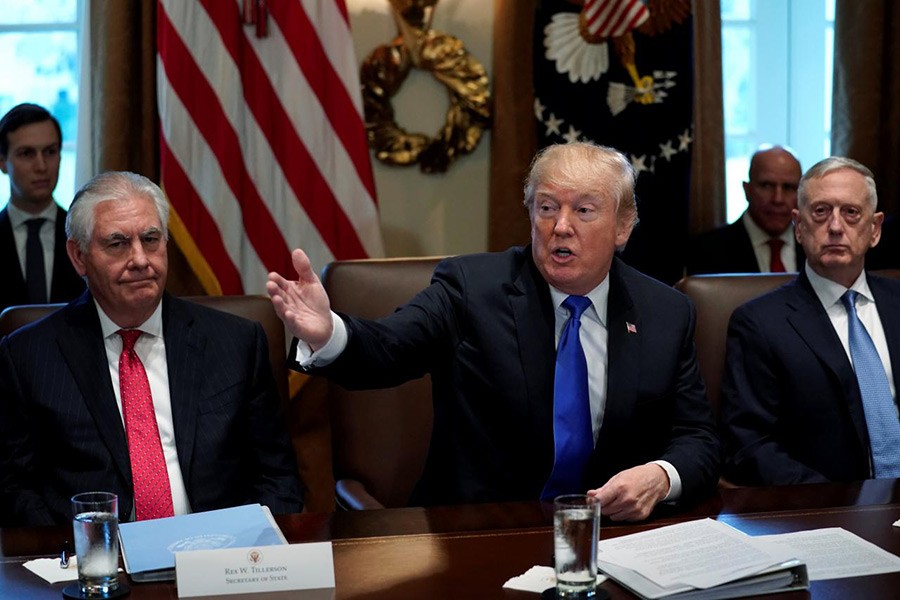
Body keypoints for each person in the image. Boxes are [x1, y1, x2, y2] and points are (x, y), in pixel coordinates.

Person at [267, 142, 719, 521]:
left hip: (612, 539)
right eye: (546, 208)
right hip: (481, 533)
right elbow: (391, 348)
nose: (561, 226)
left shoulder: (666, 312)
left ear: (623, 226)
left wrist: (661, 476)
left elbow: (698, 438)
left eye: (583, 210)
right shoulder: (471, 288)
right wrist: (330, 334)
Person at [0, 171, 302, 526]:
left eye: (151, 239)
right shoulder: (28, 356)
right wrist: (80, 553)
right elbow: (13, 488)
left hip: (220, 557)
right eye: (118, 244)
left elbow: (277, 477)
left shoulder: (237, 342)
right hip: (98, 564)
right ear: (79, 256)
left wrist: (252, 554)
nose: (141, 259)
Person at [721, 156, 900, 485]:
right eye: (820, 212)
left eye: (851, 213)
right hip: (826, 510)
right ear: (799, 226)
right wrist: (842, 502)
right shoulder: (759, 324)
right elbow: (749, 446)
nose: (835, 226)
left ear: (874, 229)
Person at [0, 103, 85, 312]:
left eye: (50, 151)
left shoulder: (87, 237)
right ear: (3, 162)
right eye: (27, 153)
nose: (41, 166)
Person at [686, 145, 803, 275]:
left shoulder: (815, 248)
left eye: (788, 187)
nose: (778, 199)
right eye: (767, 186)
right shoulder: (705, 251)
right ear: (747, 190)